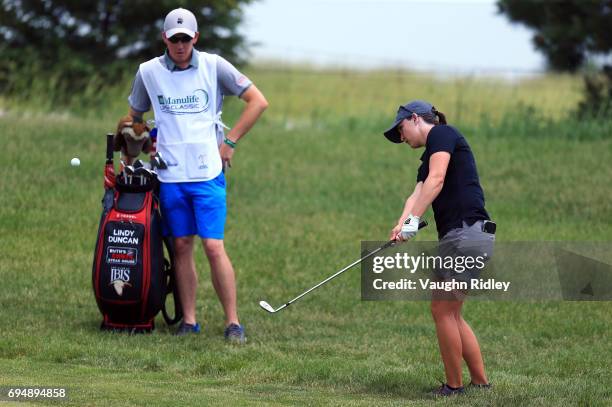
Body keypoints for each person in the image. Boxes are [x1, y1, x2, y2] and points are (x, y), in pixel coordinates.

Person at [117, 8, 268, 342]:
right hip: (170, 175)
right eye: (174, 39)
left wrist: (229, 142)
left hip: (207, 173)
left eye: (186, 39)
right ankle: (188, 320)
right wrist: (141, 144)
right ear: (165, 39)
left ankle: (233, 322)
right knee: (182, 246)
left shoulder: (214, 66)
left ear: (195, 38)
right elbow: (134, 117)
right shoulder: (149, 72)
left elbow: (258, 101)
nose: (180, 45)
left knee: (214, 246)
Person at [383, 100, 495, 396]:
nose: (401, 136)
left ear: (416, 119)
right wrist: (401, 224)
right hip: (467, 236)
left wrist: (414, 220)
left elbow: (437, 180)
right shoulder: (428, 157)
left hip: (466, 234)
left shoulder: (443, 135)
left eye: (401, 128)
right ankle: (481, 383)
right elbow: (418, 192)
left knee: (442, 310)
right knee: (452, 312)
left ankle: (453, 387)